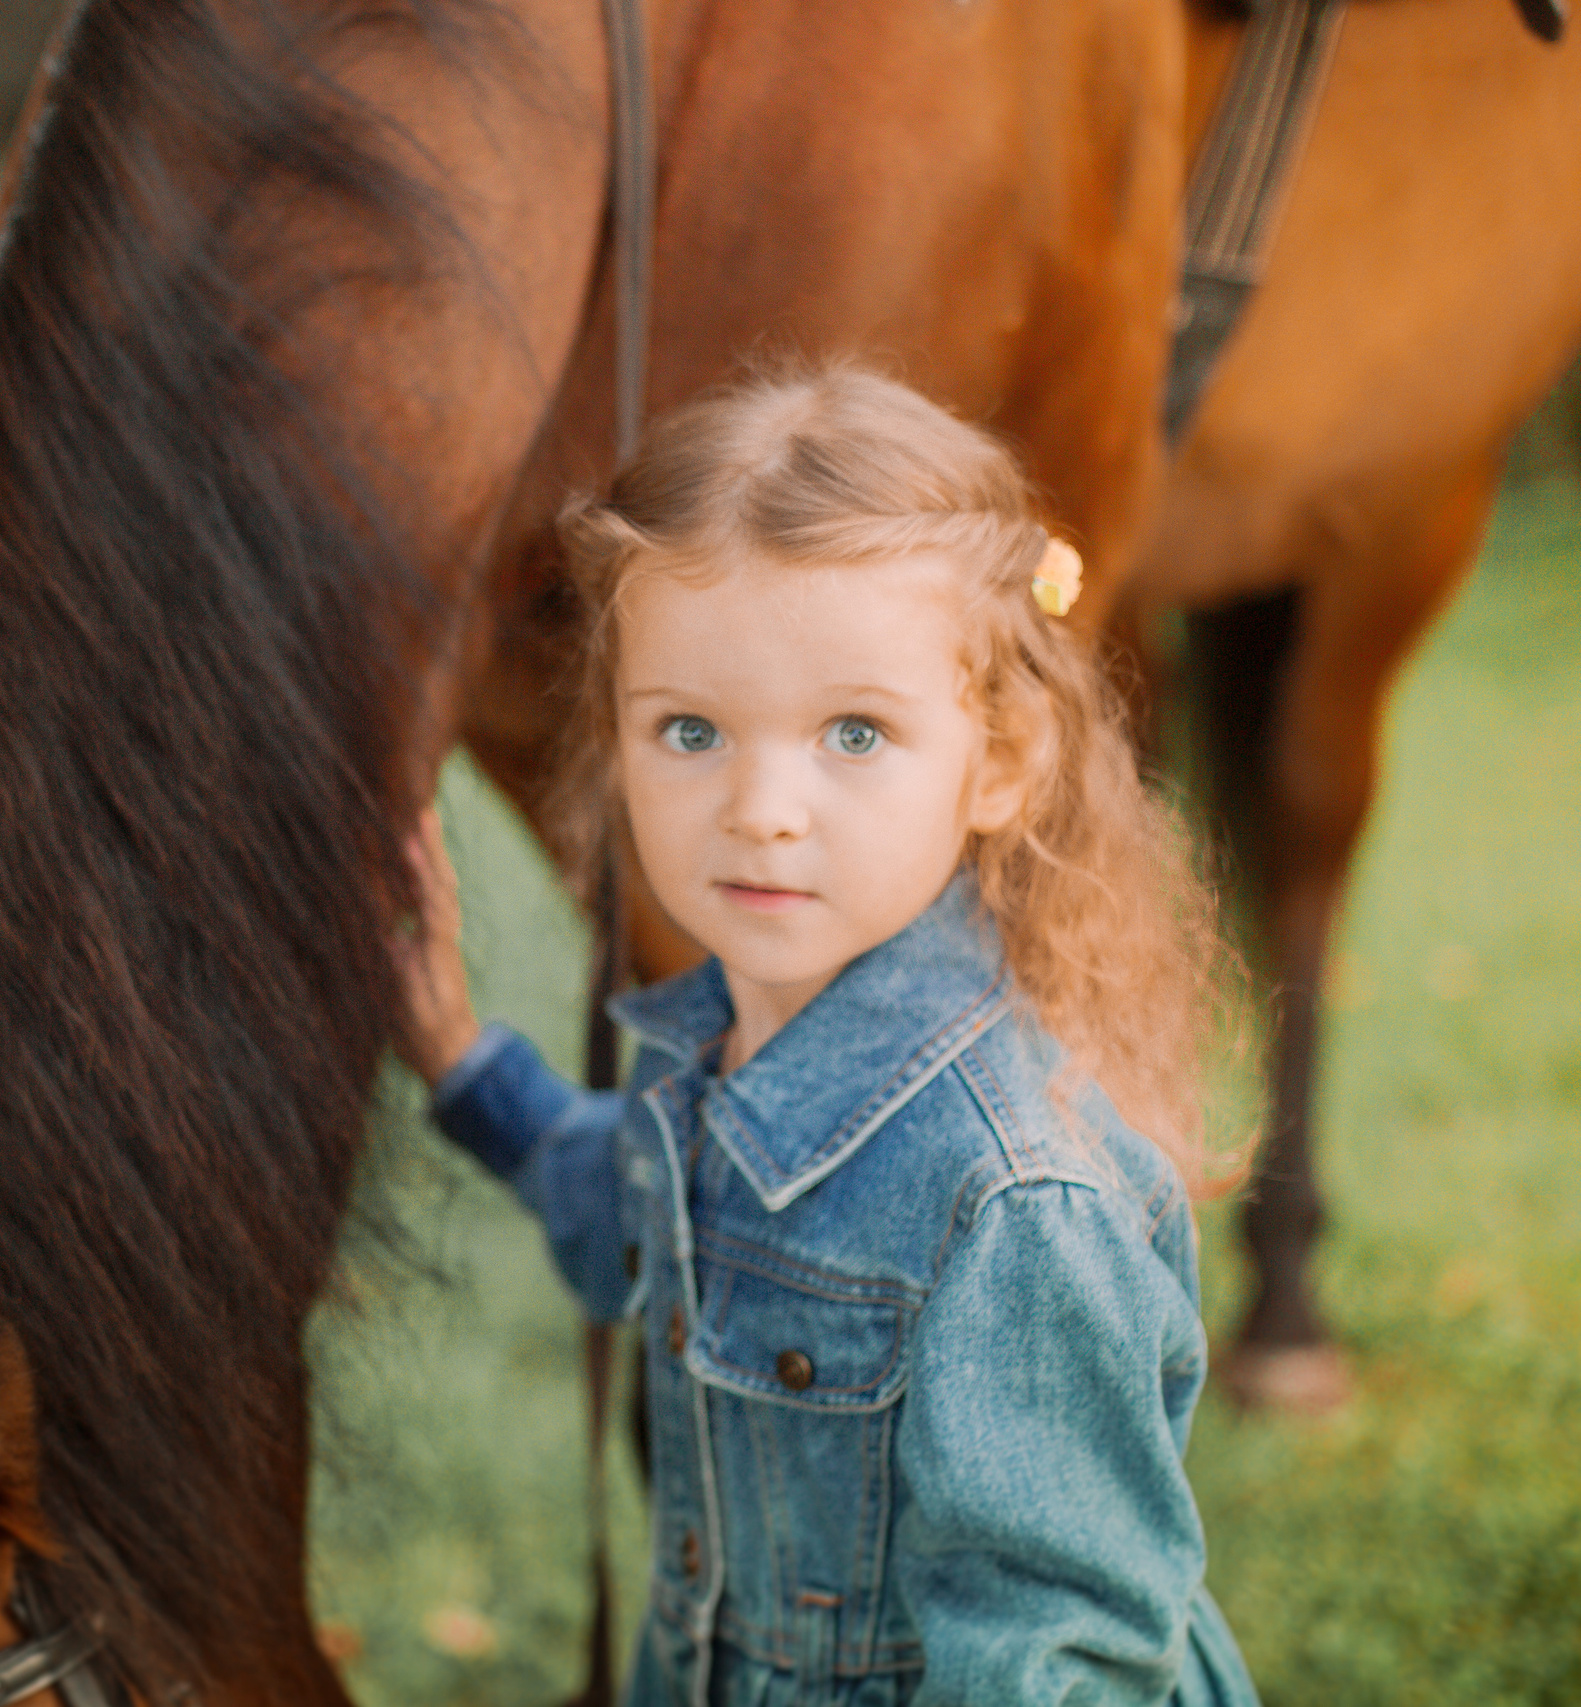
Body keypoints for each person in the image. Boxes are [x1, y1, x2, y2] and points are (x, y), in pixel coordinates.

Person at [392, 364, 1260, 1707]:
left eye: (854, 732)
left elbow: (1057, 1662)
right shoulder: (724, 1053)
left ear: (1003, 759)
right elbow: (646, 1210)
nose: (763, 807)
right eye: (690, 730)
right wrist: (458, 1053)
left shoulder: (1015, 1202)